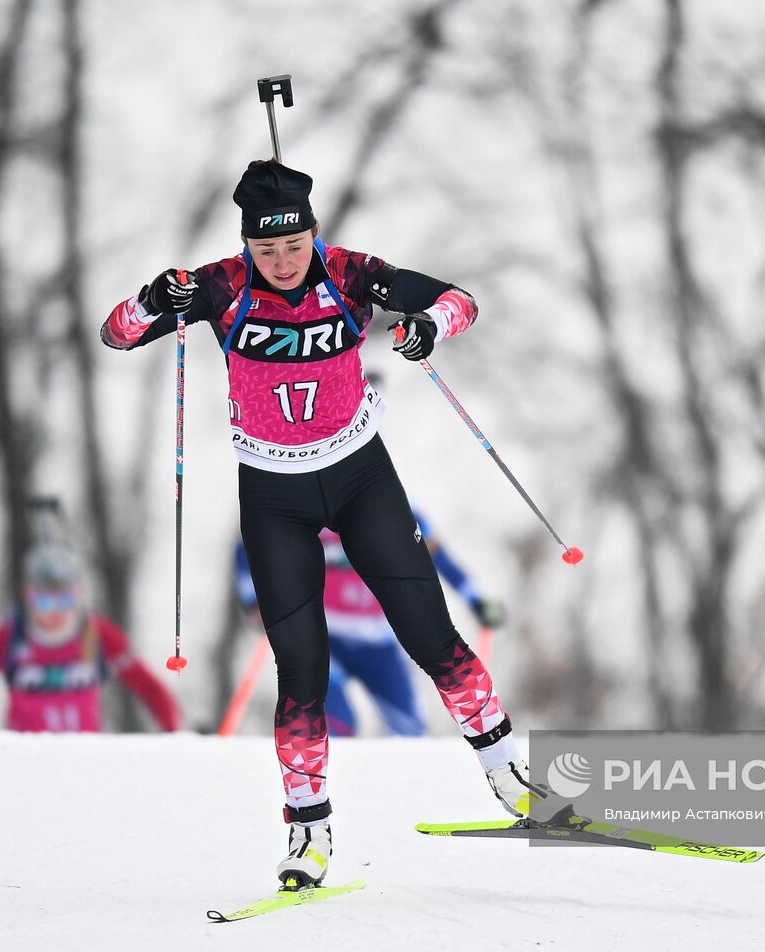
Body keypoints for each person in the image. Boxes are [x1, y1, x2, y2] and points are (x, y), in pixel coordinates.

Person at [100, 160, 568, 888]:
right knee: (302, 675)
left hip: (360, 479)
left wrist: (425, 326)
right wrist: (151, 298)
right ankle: (308, 835)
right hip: (274, 495)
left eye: (294, 247)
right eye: (267, 251)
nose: (283, 263)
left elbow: (459, 300)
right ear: (248, 246)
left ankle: (509, 776)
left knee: (430, 635)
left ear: (313, 234)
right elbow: (118, 336)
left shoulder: (349, 273)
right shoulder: (221, 285)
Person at [233, 508, 506, 738]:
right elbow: (252, 543)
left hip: (379, 643)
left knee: (411, 732)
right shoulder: (308, 509)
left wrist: (477, 600)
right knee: (336, 725)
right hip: (327, 640)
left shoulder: (397, 510)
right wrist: (255, 602)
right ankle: (337, 794)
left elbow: (441, 560)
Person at [0, 542, 182, 733]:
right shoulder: (9, 637)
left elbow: (152, 690)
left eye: (67, 600)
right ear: (29, 597)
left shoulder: (98, 635)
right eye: (46, 602)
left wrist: (172, 735)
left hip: (85, 763)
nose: (57, 613)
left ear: (80, 597)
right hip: (24, 764)